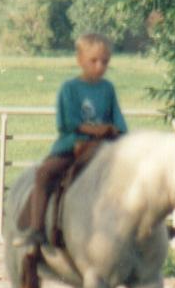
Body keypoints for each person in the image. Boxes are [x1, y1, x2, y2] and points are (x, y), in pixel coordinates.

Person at [13, 33, 128, 248]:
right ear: (80, 60)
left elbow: (119, 122)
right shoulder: (70, 89)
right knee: (45, 173)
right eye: (94, 60)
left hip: (104, 146)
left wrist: (115, 131)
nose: (100, 66)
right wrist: (97, 130)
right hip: (73, 144)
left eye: (105, 61)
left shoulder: (108, 89)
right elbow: (68, 123)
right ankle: (37, 228)